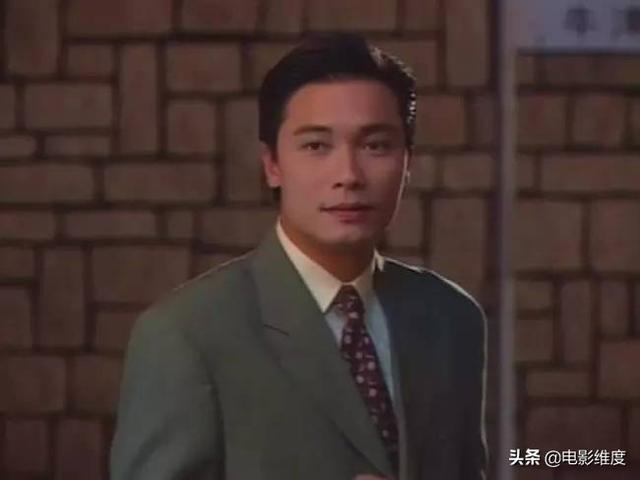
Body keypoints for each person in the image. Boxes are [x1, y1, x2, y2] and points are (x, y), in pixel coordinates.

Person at [110, 33, 488, 480]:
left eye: (375, 145)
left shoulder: (451, 318)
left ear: (407, 162)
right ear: (272, 164)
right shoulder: (186, 333)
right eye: (316, 146)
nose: (348, 175)